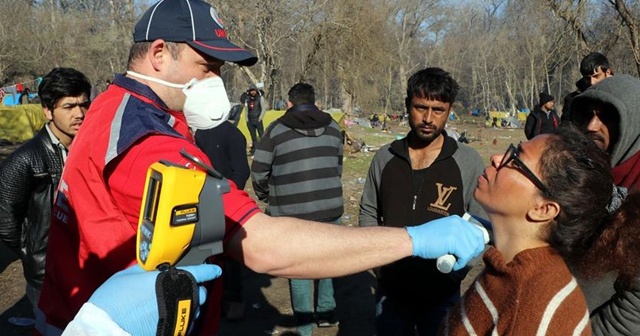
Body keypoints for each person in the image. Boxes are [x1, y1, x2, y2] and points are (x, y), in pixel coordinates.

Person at [36, 1, 487, 335]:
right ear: (159, 54)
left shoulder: (114, 107)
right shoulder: (148, 142)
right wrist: (413, 238)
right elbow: (263, 246)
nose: (215, 81)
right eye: (206, 66)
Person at [441, 125, 640, 335]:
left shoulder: (536, 311)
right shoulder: (507, 270)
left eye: (515, 160)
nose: (497, 158)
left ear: (543, 209)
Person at [358, 67, 487, 336]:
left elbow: (480, 225)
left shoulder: (467, 161)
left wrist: (457, 273)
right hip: (390, 294)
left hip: (442, 297)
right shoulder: (385, 158)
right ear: (408, 105)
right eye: (421, 107)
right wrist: (377, 263)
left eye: (438, 110)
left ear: (449, 110)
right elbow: (369, 210)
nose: (428, 118)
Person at [251, 82, 343, 335]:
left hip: (291, 212)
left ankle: (305, 328)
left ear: (289, 103)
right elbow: (337, 166)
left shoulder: (276, 130)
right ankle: (327, 313)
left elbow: (259, 171)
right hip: (330, 207)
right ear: (315, 102)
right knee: (328, 263)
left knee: (299, 269)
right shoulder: (334, 127)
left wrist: (265, 195)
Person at [0, 67, 91, 323]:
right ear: (47, 111)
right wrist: (34, 253)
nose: (80, 114)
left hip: (90, 265)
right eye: (69, 106)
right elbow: (6, 224)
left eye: (84, 104)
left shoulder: (94, 146)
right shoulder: (24, 160)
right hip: (47, 274)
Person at [569, 74, 640, 335]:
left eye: (607, 117)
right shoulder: (579, 173)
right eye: (587, 114)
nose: (591, 126)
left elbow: (633, 312)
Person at [194, 119, 250, 321]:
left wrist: (227, 194)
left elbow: (242, 171)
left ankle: (234, 299)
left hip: (225, 201)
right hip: (199, 198)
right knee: (206, 251)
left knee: (230, 253)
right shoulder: (197, 133)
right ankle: (209, 298)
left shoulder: (232, 134)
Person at [240, 84, 266, 154]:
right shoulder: (247, 99)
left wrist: (260, 118)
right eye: (251, 91)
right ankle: (255, 150)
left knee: (262, 135)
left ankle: (265, 149)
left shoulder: (260, 98)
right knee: (253, 137)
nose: (253, 92)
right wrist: (247, 120)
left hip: (258, 120)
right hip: (250, 121)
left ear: (256, 90)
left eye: (254, 91)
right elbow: (246, 110)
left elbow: (263, 108)